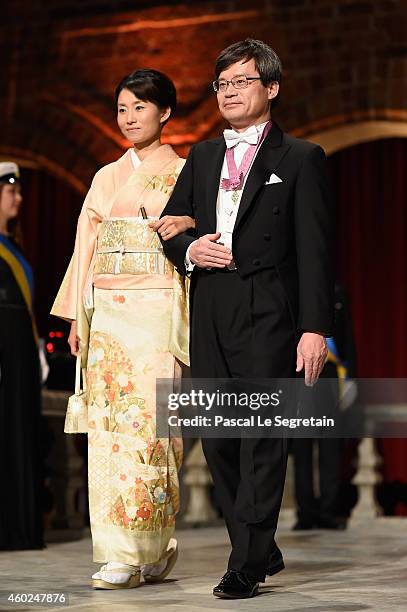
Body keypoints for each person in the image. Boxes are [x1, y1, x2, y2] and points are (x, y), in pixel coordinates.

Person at [161, 39, 335, 599]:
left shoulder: (301, 158)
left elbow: (315, 250)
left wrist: (315, 328)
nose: (229, 92)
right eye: (222, 84)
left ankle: (247, 561)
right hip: (211, 303)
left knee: (261, 435)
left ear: (271, 87)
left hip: (270, 308)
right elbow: (170, 225)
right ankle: (259, 541)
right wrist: (191, 249)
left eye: (241, 82)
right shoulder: (203, 156)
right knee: (218, 437)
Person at [51, 69, 194, 589]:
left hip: (156, 308)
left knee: (152, 428)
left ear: (165, 113)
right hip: (108, 312)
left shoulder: (185, 170)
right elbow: (83, 249)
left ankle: (152, 545)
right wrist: (77, 316)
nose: (130, 118)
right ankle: (119, 551)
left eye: (140, 107)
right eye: (122, 109)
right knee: (110, 431)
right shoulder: (105, 176)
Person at [0, 162, 44, 550]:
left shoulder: (15, 247)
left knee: (21, 434)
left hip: (21, 353)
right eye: (9, 190)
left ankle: (21, 528)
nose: (18, 197)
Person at [293, 284, 357, 530]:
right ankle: (305, 512)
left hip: (332, 374)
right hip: (299, 374)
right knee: (302, 447)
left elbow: (348, 339)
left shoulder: (337, 293)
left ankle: (329, 511)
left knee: (331, 447)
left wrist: (352, 379)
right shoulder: (292, 291)